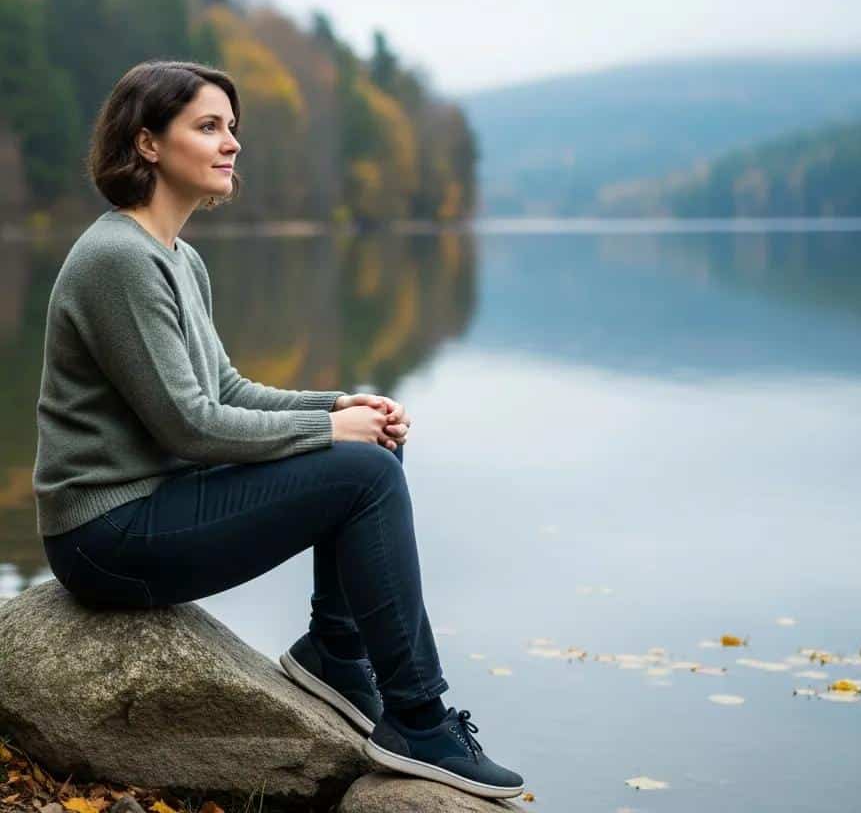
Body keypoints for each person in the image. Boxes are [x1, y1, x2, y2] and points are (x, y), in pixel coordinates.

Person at [31, 60, 524, 799]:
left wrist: (341, 406)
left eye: (232, 128)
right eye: (208, 127)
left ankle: (337, 654)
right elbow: (191, 425)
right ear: (148, 144)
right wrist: (334, 435)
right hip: (105, 536)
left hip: (153, 503)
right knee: (361, 472)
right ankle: (418, 717)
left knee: (371, 447)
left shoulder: (177, 258)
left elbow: (225, 390)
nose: (231, 144)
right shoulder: (116, 260)